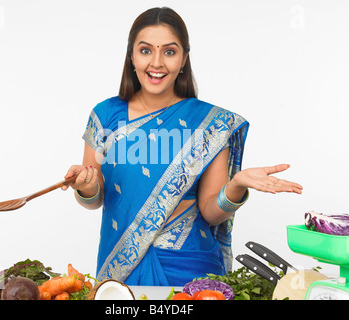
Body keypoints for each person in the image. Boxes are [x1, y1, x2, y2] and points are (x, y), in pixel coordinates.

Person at [62, 7, 303, 286]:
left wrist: (236, 185)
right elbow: (95, 198)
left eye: (169, 51)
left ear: (184, 59)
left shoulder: (210, 124)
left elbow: (211, 211)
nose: (157, 62)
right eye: (145, 50)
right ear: (131, 57)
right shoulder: (104, 116)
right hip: (121, 269)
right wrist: (85, 186)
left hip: (191, 267)